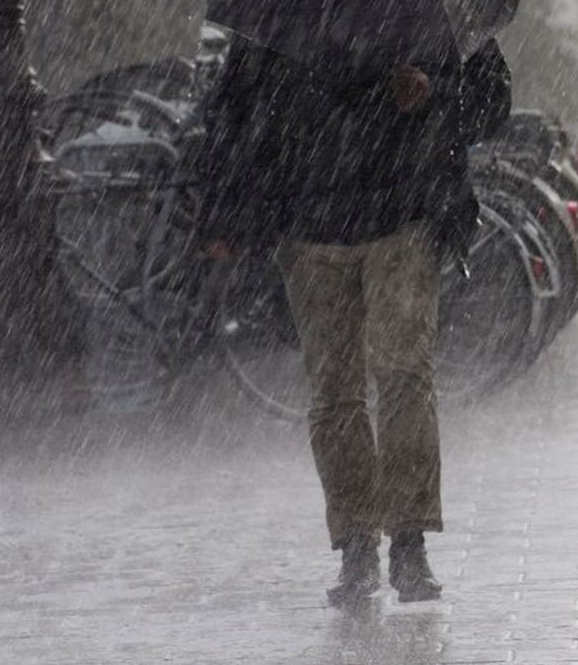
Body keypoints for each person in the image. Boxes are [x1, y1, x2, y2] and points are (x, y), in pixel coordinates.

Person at [197, 30, 511, 606]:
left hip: (404, 217)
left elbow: (491, 103)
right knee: (336, 392)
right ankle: (358, 546)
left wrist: (433, 92)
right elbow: (235, 110)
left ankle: (409, 543)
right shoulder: (283, 9)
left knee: (403, 378)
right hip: (310, 226)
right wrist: (224, 213)